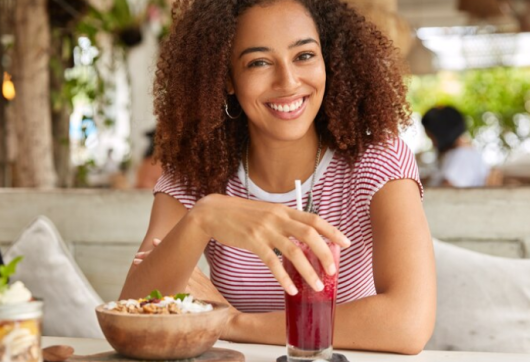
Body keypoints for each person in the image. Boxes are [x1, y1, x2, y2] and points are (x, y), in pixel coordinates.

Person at [120, 0, 436, 355]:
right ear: (226, 77)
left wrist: (232, 321)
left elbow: (409, 324)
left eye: (304, 56)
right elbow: (133, 314)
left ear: (328, 60)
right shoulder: (198, 170)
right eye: (258, 62)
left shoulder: (376, 160)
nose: (287, 81)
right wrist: (202, 218)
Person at [421, 106, 490, 187]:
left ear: (441, 134)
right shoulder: (461, 153)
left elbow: (448, 189)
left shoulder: (462, 156)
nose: (433, 143)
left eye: (431, 137)